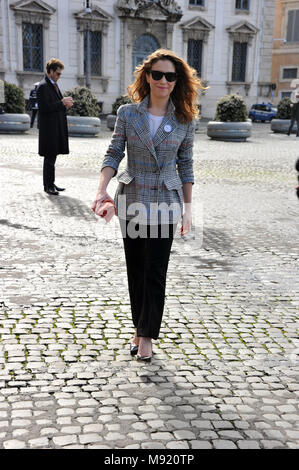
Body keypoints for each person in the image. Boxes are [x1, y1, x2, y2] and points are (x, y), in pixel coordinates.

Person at [92, 49, 204, 362]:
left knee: (156, 270)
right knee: (136, 269)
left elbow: (186, 165)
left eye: (171, 76)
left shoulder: (184, 119)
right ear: (147, 77)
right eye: (158, 75)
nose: (164, 81)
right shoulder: (128, 114)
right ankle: (139, 327)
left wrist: (189, 209)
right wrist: (101, 190)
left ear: (177, 80)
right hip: (132, 198)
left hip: (167, 201)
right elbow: (113, 153)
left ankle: (146, 336)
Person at [36, 58, 73, 195]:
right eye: (57, 73)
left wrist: (65, 105)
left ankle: (50, 183)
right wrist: (61, 103)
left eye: (60, 74)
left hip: (55, 128)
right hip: (49, 129)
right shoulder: (43, 86)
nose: (59, 76)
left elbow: (56, 105)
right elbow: (44, 108)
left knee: (52, 157)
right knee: (49, 158)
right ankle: (48, 186)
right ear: (50, 71)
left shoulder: (53, 85)